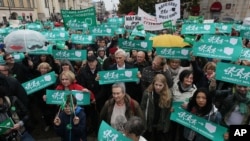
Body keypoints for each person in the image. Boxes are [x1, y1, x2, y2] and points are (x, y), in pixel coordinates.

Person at [140, 74, 172, 141]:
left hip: (160, 122)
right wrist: (143, 123)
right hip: (149, 122)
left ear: (164, 85)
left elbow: (168, 112)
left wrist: (166, 127)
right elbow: (142, 108)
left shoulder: (168, 95)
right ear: (153, 83)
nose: (157, 87)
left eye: (160, 85)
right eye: (156, 84)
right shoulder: (147, 93)